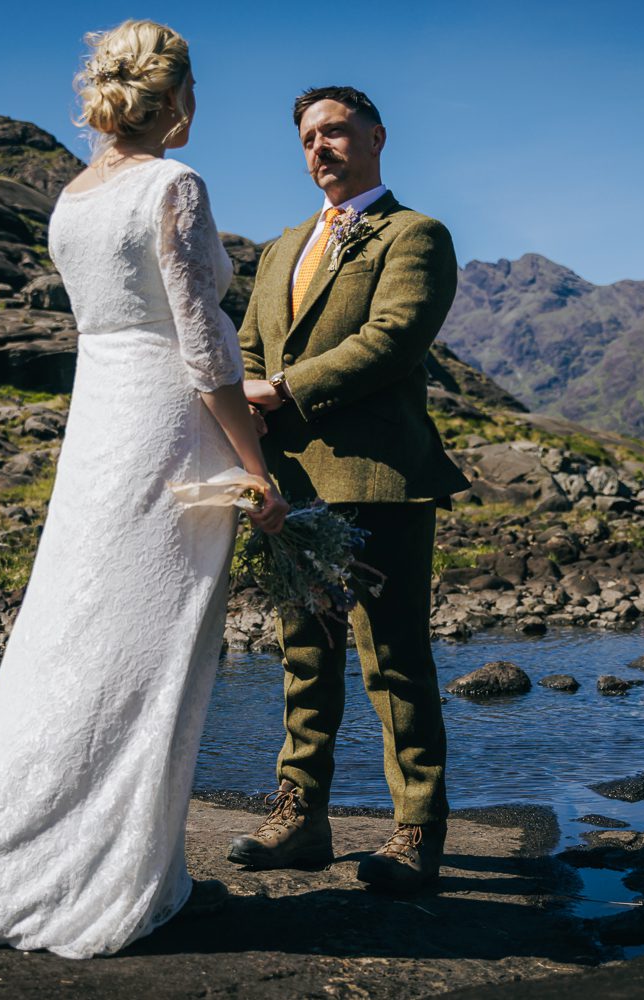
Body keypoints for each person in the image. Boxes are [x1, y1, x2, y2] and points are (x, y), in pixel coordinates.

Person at [0, 19, 287, 959]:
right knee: (153, 645)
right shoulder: (175, 185)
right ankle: (114, 873)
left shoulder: (72, 197)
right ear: (180, 99)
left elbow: (120, 323)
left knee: (74, 633)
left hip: (100, 428)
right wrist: (255, 464)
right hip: (167, 427)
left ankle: (7, 859)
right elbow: (202, 347)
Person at [231, 86, 469, 891]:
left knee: (394, 659)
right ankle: (301, 818)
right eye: (307, 137)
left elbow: (393, 340)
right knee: (305, 654)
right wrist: (249, 402)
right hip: (290, 484)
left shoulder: (416, 235)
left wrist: (283, 391)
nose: (320, 148)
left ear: (377, 135)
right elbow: (247, 345)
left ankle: (416, 832)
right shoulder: (280, 248)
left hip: (379, 480)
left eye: (335, 131)